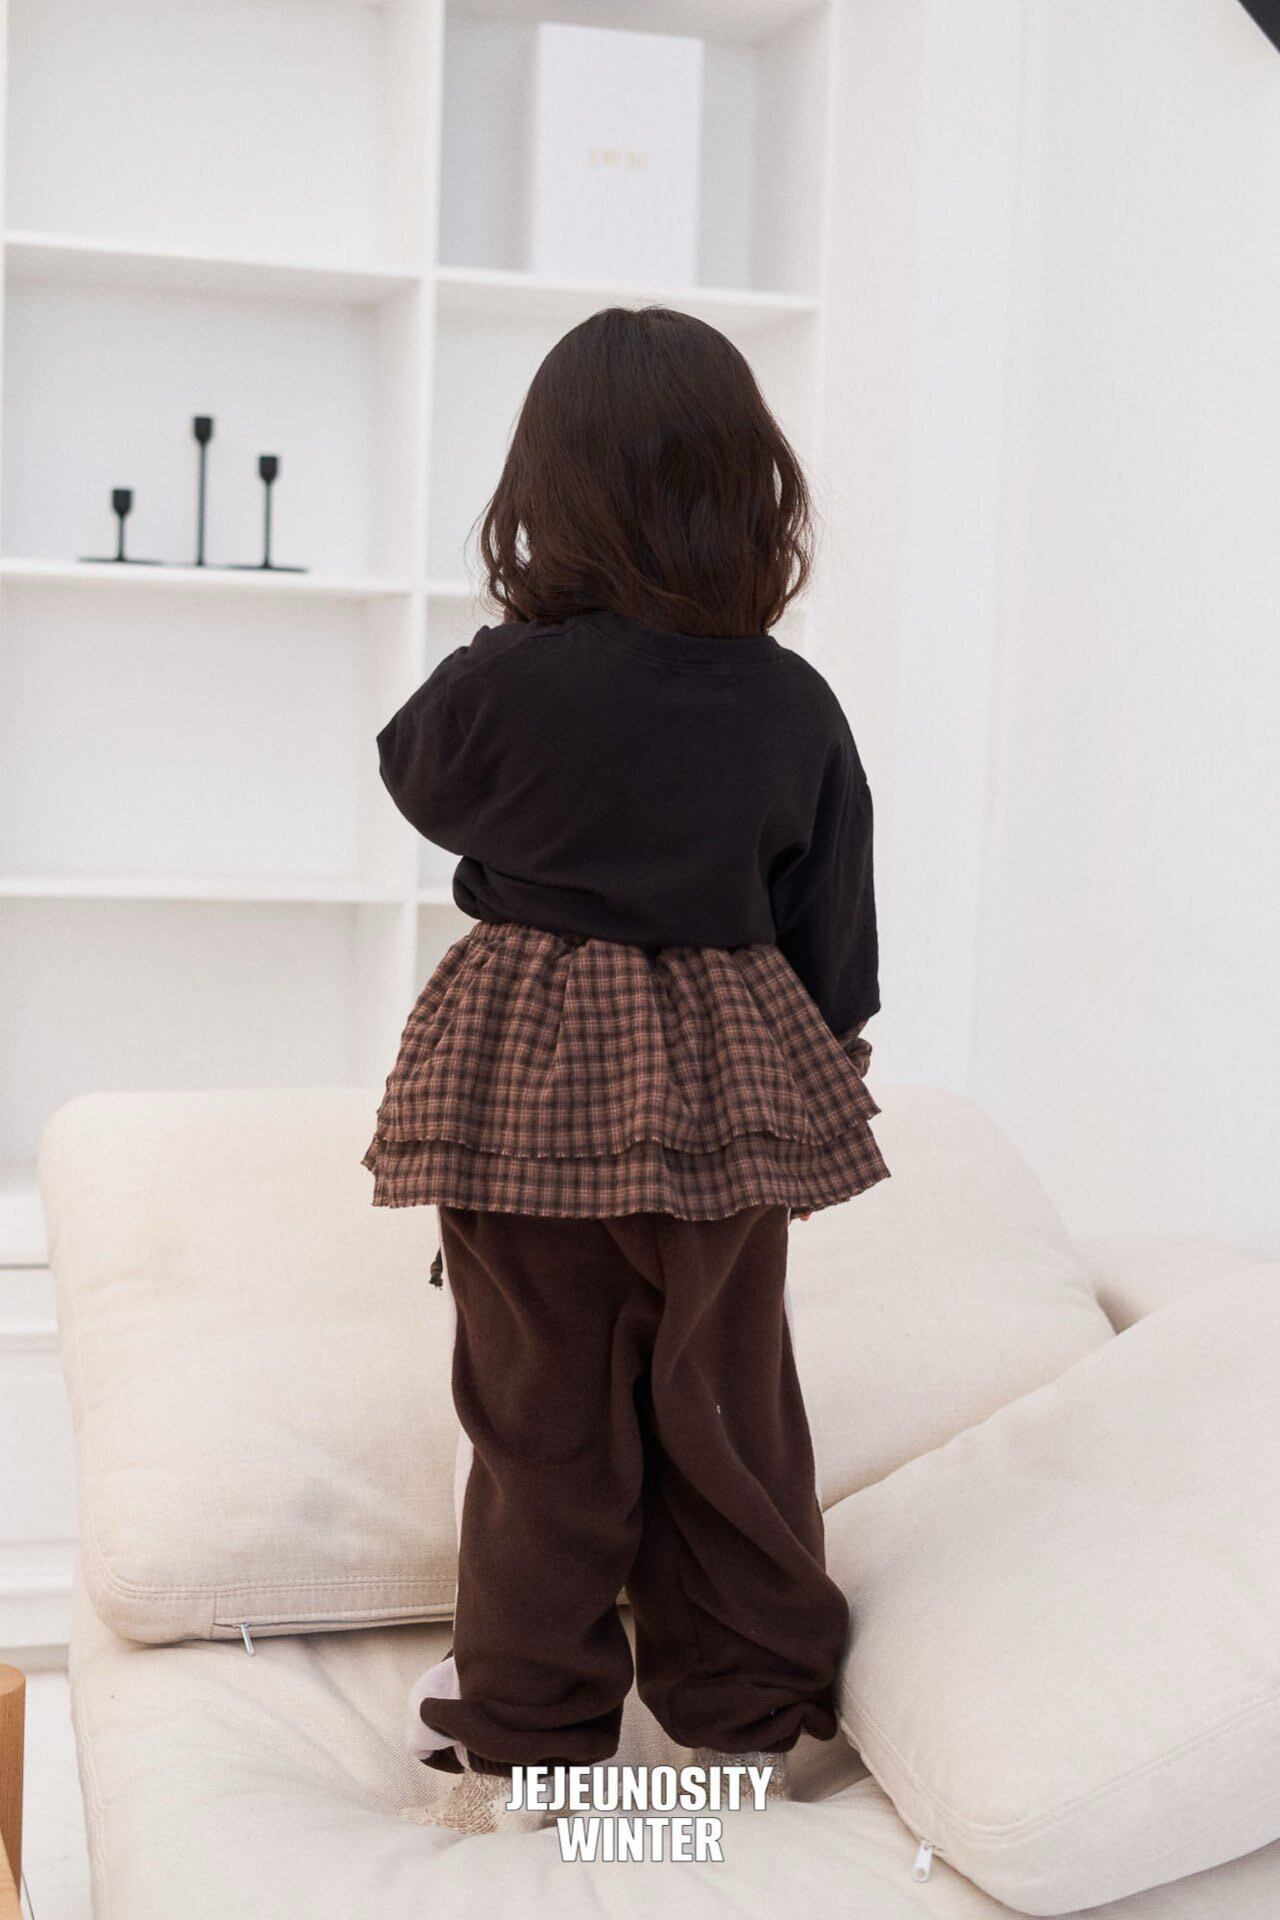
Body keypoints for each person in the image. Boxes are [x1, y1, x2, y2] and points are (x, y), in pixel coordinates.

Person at [362, 305, 890, 1837]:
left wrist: (531, 632)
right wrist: (824, 1071)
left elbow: (414, 767)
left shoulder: (506, 689)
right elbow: (834, 932)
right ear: (747, 488)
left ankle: (530, 1742)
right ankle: (747, 1721)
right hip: (725, 1097)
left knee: (537, 1424)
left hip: (518, 1086)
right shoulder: (786, 702)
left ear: (548, 487)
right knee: (726, 1412)